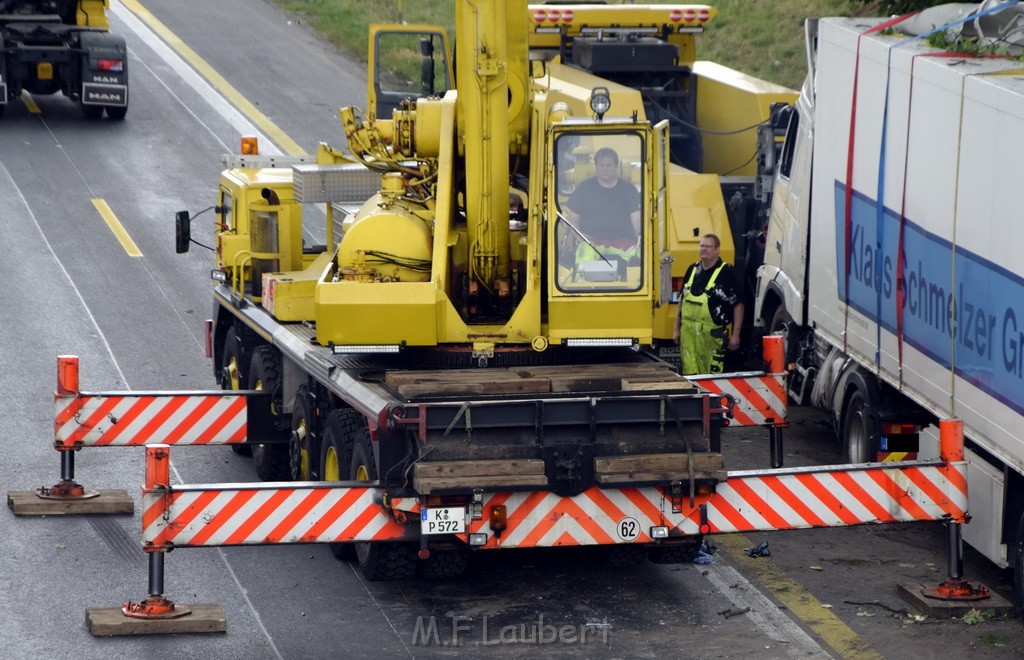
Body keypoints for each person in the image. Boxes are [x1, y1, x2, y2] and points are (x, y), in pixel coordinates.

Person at [673, 233, 744, 374]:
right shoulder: (692, 269)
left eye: (707, 246)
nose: (703, 249)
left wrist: (736, 335)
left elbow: (739, 305)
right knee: (689, 373)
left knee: (713, 377)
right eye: (701, 246)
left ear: (717, 250)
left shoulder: (727, 272)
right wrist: (676, 328)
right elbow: (682, 301)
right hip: (688, 334)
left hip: (712, 336)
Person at [564, 147, 641, 261]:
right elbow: (572, 219)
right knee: (583, 258)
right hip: (592, 243)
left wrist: (641, 240)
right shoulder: (584, 188)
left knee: (637, 258)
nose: (605, 169)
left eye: (609, 165)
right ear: (596, 166)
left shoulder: (629, 189)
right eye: (601, 165)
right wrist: (580, 235)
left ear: (616, 166)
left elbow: (636, 219)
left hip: (624, 243)